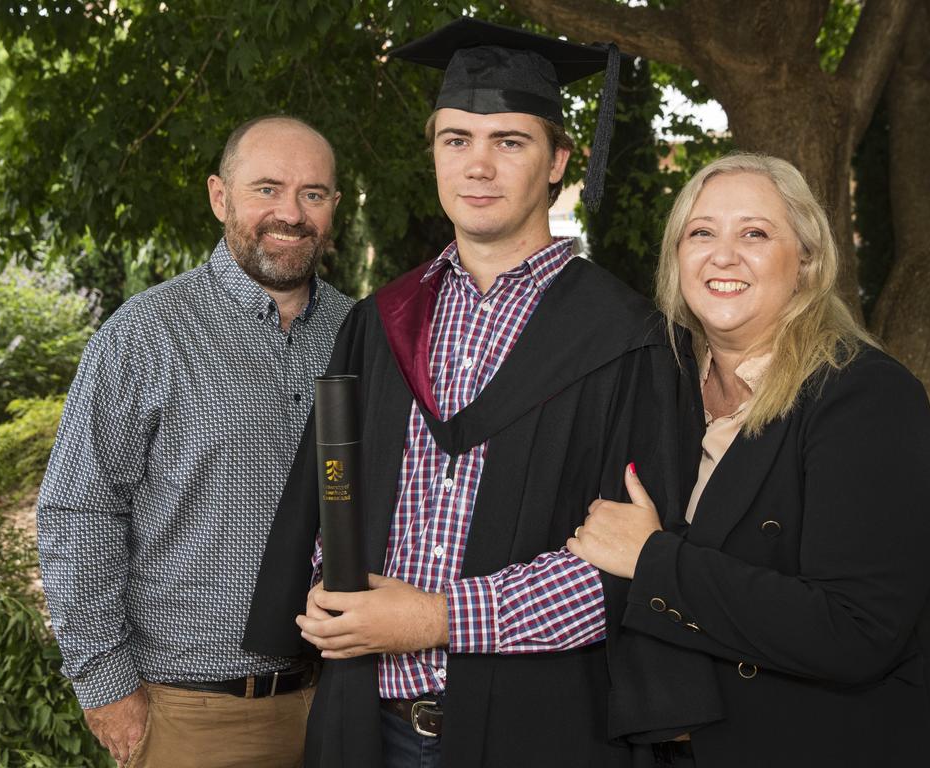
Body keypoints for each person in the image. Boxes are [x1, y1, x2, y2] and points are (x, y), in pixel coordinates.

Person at [243, 18, 714, 768]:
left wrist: (435, 618)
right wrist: (328, 592)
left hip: (548, 730)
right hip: (370, 727)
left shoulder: (630, 343)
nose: (479, 166)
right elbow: (328, 504)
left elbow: (634, 566)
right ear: (433, 154)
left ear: (560, 160)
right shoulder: (381, 323)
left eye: (511, 142)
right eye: (456, 140)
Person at [569, 153, 930, 767]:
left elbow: (855, 632)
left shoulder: (864, 397)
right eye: (701, 232)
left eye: (754, 232)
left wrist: (652, 558)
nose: (723, 255)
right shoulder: (662, 393)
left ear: (807, 261)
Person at [37, 115, 356, 768]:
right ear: (219, 196)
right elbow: (78, 509)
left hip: (342, 704)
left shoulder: (361, 333)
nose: (290, 214)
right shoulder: (145, 335)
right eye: (266, 189)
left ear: (334, 208)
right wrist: (105, 684)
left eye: (312, 194)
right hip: (194, 714)